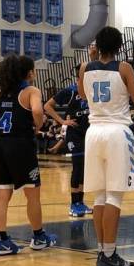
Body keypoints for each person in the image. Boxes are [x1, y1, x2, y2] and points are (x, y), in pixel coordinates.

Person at [78, 26, 134, 266]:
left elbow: (82, 95)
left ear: (97, 45)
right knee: (114, 196)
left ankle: (102, 252)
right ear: (119, 47)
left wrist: (93, 60)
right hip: (117, 132)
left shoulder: (85, 68)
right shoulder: (124, 68)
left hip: (93, 132)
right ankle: (109, 254)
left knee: (98, 196)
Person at [0, 54, 52, 256]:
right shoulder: (31, 91)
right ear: (27, 73)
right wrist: (38, 123)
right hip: (21, 145)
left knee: (2, 196)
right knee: (32, 195)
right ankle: (38, 236)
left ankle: (3, 242)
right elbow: (36, 110)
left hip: (0, 144)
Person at [44, 68, 93, 218]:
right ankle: (73, 204)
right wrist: (62, 121)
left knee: (85, 169)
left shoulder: (91, 90)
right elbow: (47, 106)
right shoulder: (70, 91)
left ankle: (81, 202)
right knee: (77, 167)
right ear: (79, 77)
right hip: (74, 134)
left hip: (88, 133)